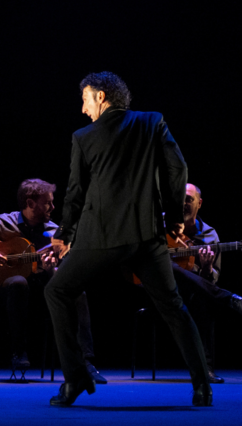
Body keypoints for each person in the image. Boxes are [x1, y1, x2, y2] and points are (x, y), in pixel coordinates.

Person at [45, 71, 212, 406]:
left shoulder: (83, 136)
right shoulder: (152, 122)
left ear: (101, 96)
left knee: (57, 290)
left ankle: (76, 379)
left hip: (100, 235)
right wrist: (174, 217)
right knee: (173, 306)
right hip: (146, 235)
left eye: (85, 99)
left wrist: (63, 233)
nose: (83, 108)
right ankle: (202, 386)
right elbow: (177, 169)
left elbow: (76, 192)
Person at [0, 179, 106, 383]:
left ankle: (86, 361)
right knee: (18, 281)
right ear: (30, 203)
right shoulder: (4, 223)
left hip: (41, 294)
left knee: (75, 290)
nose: (53, 207)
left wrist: (56, 259)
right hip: (7, 293)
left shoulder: (52, 230)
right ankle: (18, 352)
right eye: (47, 203)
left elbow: (65, 250)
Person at [170, 183, 242, 383]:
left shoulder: (210, 236)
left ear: (199, 204)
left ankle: (206, 369)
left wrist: (207, 268)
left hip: (188, 295)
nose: (183, 203)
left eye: (189, 199)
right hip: (159, 290)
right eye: (180, 198)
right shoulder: (161, 224)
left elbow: (211, 281)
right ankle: (229, 299)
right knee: (166, 265)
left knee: (204, 299)